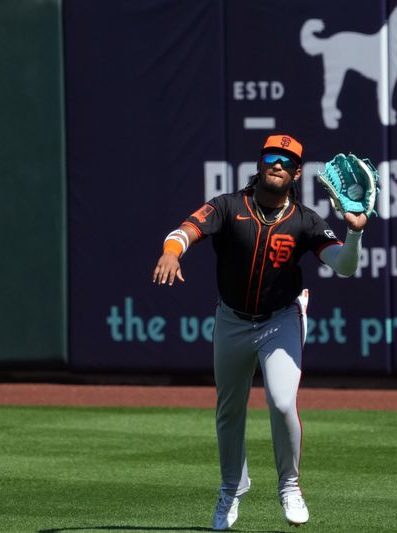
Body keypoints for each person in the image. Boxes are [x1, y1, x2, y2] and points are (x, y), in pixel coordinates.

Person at [152, 134, 368, 530]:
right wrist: (171, 251)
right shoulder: (229, 206)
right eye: (272, 156)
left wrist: (354, 232)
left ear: (297, 172)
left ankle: (290, 486)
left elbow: (344, 265)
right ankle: (232, 487)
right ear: (260, 162)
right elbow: (187, 228)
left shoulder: (305, 220)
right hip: (232, 320)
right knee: (229, 411)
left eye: (287, 160)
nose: (278, 164)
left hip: (280, 319)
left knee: (283, 402)